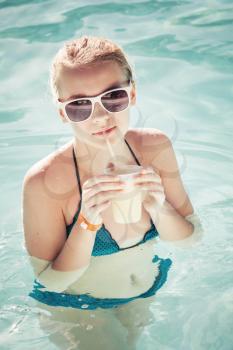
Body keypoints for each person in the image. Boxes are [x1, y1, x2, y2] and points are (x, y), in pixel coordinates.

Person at [22, 35, 199, 322]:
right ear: (62, 114)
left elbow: (191, 239)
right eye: (80, 105)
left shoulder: (155, 148)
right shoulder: (44, 181)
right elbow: (50, 282)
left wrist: (158, 206)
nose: (100, 117)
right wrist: (87, 222)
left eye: (113, 97)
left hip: (148, 289)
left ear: (132, 95)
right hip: (78, 308)